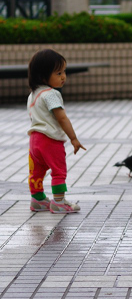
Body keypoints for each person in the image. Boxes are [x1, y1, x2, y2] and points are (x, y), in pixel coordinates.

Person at [27, 49, 86, 214]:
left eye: (64, 72)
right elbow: (62, 118)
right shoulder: (51, 94)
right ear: (43, 76)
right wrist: (73, 138)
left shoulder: (33, 95)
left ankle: (37, 199)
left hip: (35, 141)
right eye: (58, 73)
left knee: (37, 171)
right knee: (58, 170)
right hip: (50, 140)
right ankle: (59, 202)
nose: (63, 77)